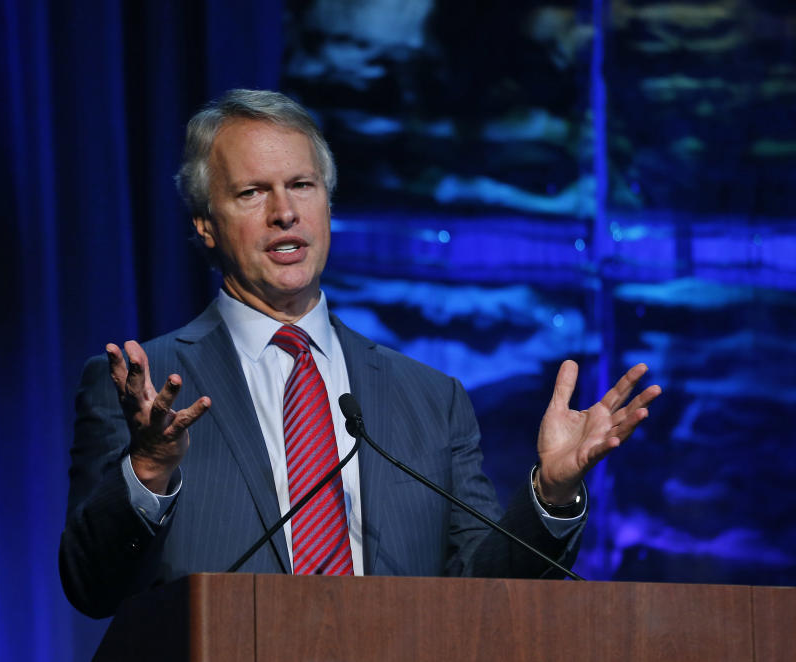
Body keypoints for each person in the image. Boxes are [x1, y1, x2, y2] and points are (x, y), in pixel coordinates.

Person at [59, 89, 661, 619]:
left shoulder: (431, 398)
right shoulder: (142, 391)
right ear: (206, 225)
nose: (284, 212)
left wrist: (550, 495)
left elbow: (484, 588)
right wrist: (149, 470)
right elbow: (92, 587)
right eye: (252, 192)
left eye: (301, 185)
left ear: (327, 204)